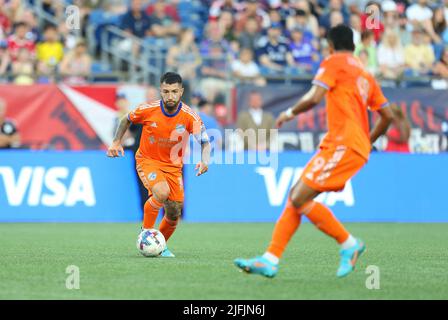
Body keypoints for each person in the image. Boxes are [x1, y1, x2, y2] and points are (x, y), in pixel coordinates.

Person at [234, 24, 393, 278]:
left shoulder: (333, 62)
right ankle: (270, 258)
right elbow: (387, 116)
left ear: (330, 45)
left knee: (299, 197)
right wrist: (367, 140)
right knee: (296, 195)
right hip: (340, 144)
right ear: (353, 45)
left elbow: (314, 96)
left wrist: (288, 113)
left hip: (344, 144)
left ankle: (349, 244)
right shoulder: (365, 74)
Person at [107, 72, 211, 257]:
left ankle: (159, 245)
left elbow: (204, 140)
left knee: (174, 212)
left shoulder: (189, 116)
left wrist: (205, 160)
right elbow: (126, 119)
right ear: (160, 91)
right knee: (161, 193)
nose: (170, 96)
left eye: (174, 91)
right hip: (148, 160)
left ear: (181, 92)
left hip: (173, 167)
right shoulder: (148, 109)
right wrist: (116, 142)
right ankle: (146, 232)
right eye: (166, 91)